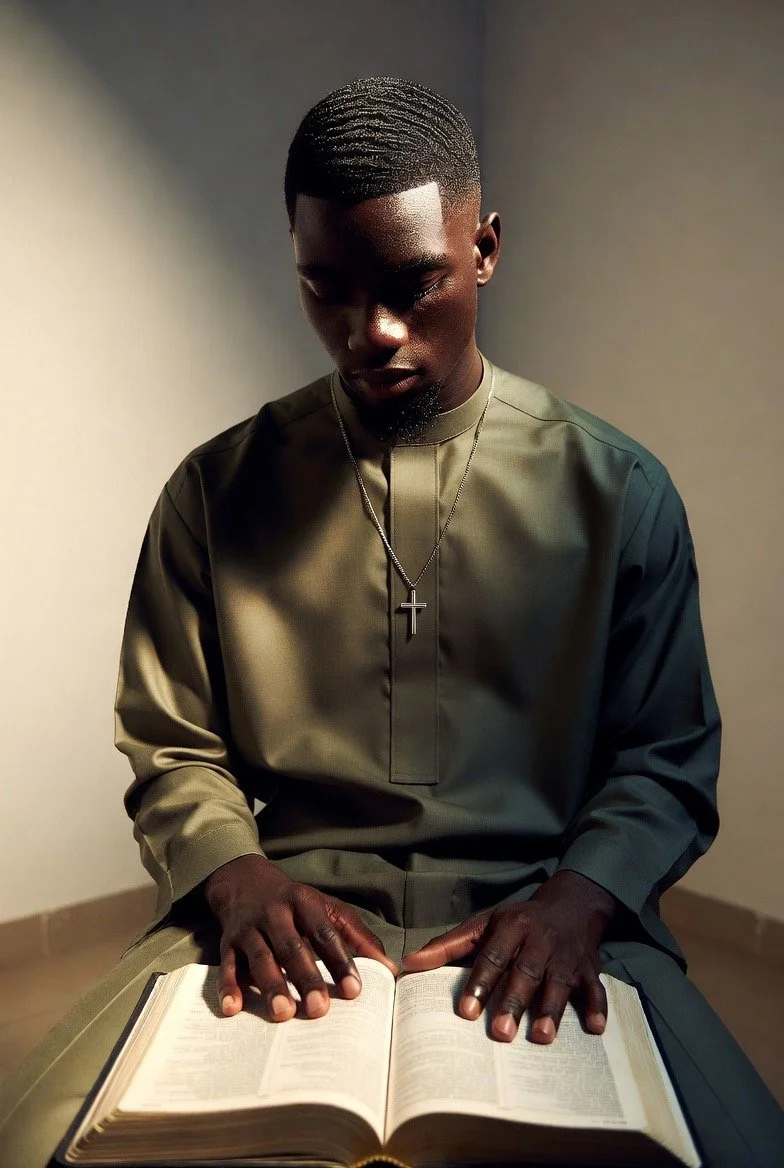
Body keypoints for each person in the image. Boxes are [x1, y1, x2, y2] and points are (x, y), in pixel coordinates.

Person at [0, 75, 781, 1168]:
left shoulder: (618, 493)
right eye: (325, 288)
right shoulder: (216, 493)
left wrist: (583, 895)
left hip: (548, 916)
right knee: (42, 1137)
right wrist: (239, 877)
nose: (369, 331)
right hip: (281, 917)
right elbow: (172, 744)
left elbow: (664, 753)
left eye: (415, 284)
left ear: (487, 249)